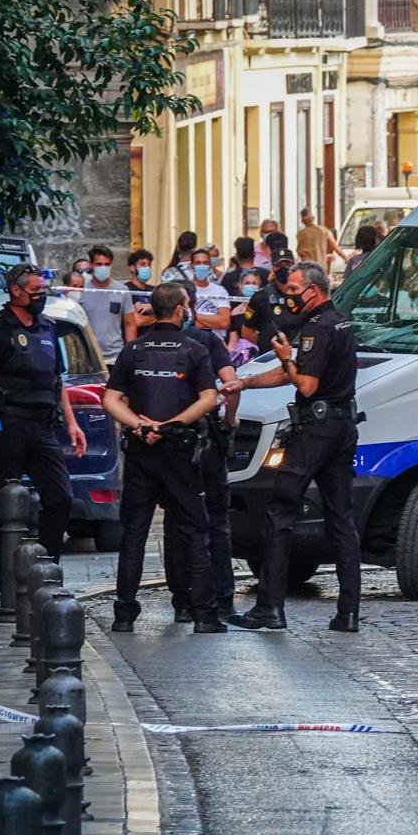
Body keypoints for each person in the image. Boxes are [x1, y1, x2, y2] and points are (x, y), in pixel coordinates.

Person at [228, 263, 361, 632]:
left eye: (294, 290)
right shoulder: (341, 322)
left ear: (314, 291)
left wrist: (286, 355)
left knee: (280, 509)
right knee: (341, 519)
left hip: (316, 430)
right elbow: (291, 372)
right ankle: (348, 611)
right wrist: (247, 383)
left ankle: (270, 606)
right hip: (341, 426)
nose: (288, 297)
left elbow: (304, 384)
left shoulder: (316, 329)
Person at [103, 282, 222, 633]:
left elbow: (110, 399)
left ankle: (124, 613)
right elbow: (209, 398)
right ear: (182, 310)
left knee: (134, 533)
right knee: (194, 529)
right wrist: (172, 425)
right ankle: (203, 614)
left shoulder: (133, 349)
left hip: (142, 450)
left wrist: (140, 425)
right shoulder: (194, 349)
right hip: (179, 451)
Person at [0, 264, 87, 562]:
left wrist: (72, 424)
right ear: (15, 291)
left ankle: (45, 569)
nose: (41, 297)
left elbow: (57, 380)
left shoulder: (48, 326)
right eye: (35, 292)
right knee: (6, 502)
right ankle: (1, 579)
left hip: (42, 428)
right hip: (6, 425)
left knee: (61, 498)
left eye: (43, 292)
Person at [158, 282, 243, 622]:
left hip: (166, 441)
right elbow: (231, 384)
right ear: (186, 307)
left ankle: (182, 600)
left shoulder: (145, 345)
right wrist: (230, 420)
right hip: (205, 439)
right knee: (216, 521)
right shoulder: (207, 341)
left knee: (176, 519)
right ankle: (222, 599)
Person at [240, 246, 304, 353]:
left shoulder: (302, 293)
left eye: (287, 265)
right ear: (273, 267)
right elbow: (247, 332)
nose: (284, 268)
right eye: (279, 265)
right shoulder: (261, 297)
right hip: (270, 356)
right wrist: (266, 344)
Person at [80, 245, 136, 366]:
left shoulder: (122, 290)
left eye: (106, 264)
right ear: (91, 265)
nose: (103, 267)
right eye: (99, 264)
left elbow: (130, 324)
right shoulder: (81, 291)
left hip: (115, 356)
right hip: (89, 358)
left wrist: (130, 353)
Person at [188, 248, 231, 343]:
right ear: (191, 266)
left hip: (215, 343)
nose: (201, 266)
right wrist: (213, 320)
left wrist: (194, 317)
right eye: (197, 263)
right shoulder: (184, 290)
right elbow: (183, 322)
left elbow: (224, 322)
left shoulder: (220, 291)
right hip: (190, 342)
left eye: (205, 263)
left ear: (210, 266)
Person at [296, 207, 348, 274]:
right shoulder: (324, 230)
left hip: (307, 268)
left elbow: (300, 253)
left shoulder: (300, 234)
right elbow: (335, 246)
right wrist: (346, 258)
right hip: (321, 268)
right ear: (313, 218)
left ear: (302, 221)